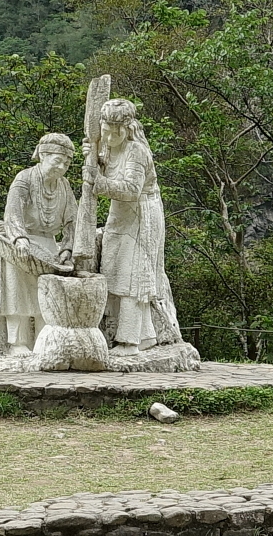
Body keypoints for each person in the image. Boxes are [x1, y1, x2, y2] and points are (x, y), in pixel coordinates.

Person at [82, 99, 182, 355]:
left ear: (126, 130)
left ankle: (129, 341)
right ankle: (146, 335)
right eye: (104, 131)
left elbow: (130, 189)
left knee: (132, 275)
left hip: (141, 215)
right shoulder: (110, 147)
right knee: (114, 268)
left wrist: (98, 181)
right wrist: (95, 159)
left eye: (113, 133)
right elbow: (110, 169)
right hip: (120, 214)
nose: (107, 137)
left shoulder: (137, 151)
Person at [0, 133, 77, 355]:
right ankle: (17, 342)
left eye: (66, 163)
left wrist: (67, 247)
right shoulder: (25, 179)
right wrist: (19, 237)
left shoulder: (64, 185)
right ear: (43, 155)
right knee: (16, 295)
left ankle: (43, 342)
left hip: (49, 247)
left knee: (45, 296)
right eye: (58, 160)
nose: (62, 167)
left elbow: (73, 220)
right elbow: (13, 211)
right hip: (20, 245)